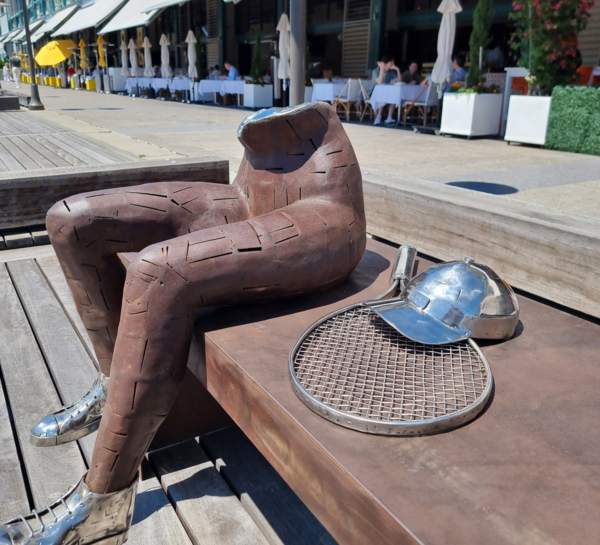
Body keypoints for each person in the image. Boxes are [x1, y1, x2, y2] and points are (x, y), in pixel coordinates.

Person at [1, 102, 366, 544]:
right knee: (71, 222)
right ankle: (115, 382)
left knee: (160, 273)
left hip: (322, 206)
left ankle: (104, 500)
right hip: (253, 187)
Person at [370, 55, 401, 126]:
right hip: (373, 94)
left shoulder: (391, 72)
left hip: (387, 93)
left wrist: (397, 70)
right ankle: (379, 116)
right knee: (383, 95)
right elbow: (379, 82)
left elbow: (399, 81)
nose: (393, 64)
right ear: (386, 63)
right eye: (391, 62)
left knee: (394, 95)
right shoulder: (376, 71)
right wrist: (382, 68)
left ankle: (389, 118)